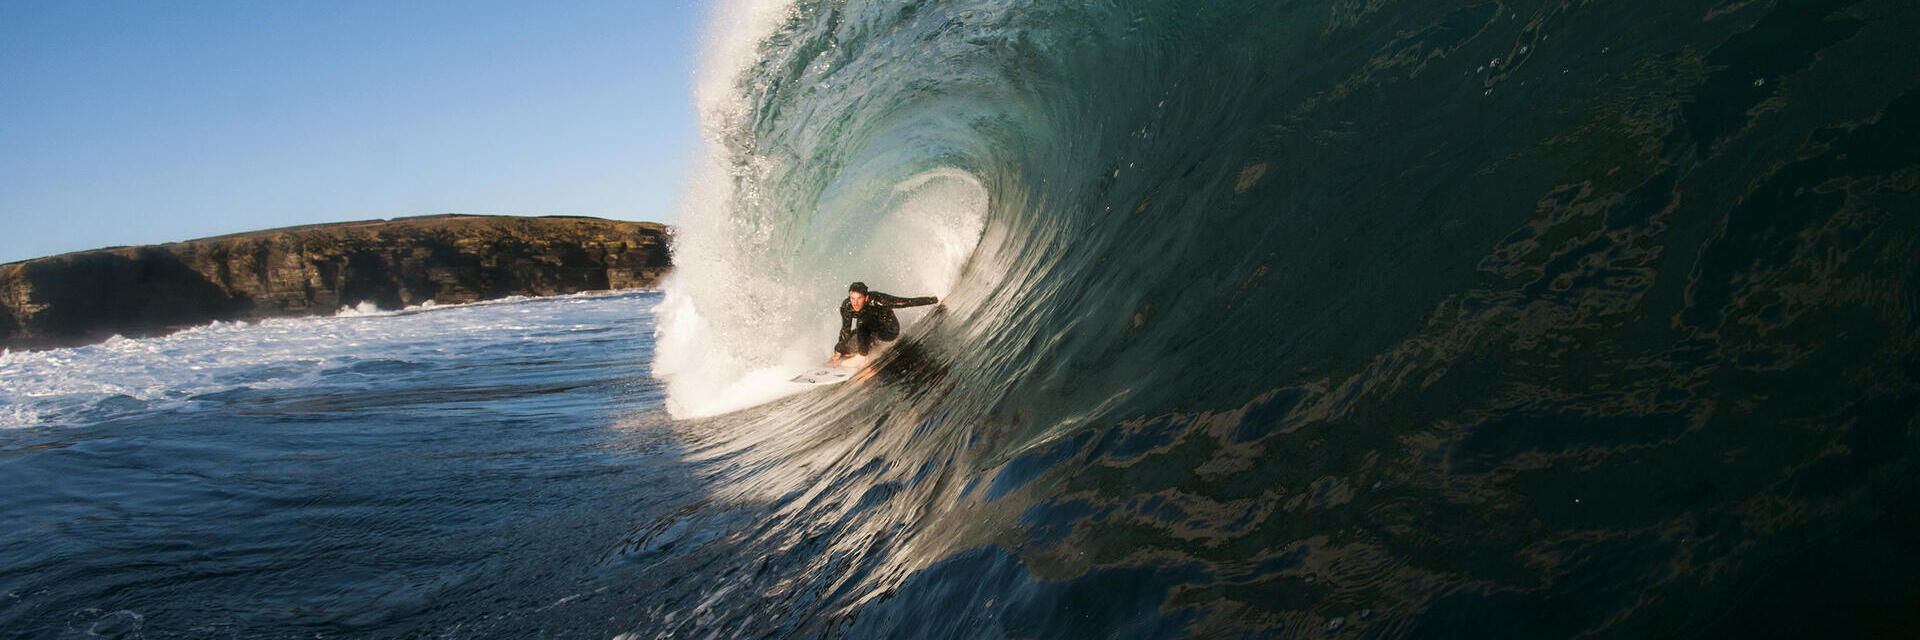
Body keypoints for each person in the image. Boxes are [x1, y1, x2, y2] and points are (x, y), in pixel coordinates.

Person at [829, 282, 939, 368]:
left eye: (859, 298)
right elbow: (845, 329)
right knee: (844, 345)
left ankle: (863, 357)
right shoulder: (847, 306)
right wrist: (838, 351)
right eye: (852, 298)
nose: (855, 303)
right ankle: (856, 351)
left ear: (866, 297)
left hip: (889, 330)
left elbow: (905, 302)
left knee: (862, 321)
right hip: (870, 329)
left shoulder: (878, 300)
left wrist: (934, 300)